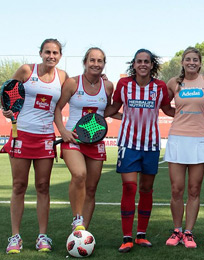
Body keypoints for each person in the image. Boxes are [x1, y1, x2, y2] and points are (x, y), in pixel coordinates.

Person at [104, 49, 174, 253]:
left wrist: (190, 112)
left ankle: (141, 235)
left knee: (146, 189)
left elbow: (168, 110)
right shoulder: (124, 84)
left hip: (151, 145)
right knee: (129, 188)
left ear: (152, 65)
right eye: (139, 61)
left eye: (147, 61)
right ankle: (126, 237)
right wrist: (94, 109)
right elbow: (112, 108)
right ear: (133, 65)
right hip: (128, 144)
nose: (143, 64)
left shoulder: (159, 87)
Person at [2, 39, 68, 254]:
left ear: (60, 55)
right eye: (47, 52)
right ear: (40, 53)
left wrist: (100, 78)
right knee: (19, 186)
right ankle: (15, 237)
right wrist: (6, 110)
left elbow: (65, 101)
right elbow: (6, 92)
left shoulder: (63, 77)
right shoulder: (26, 70)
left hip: (45, 138)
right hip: (21, 135)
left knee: (42, 187)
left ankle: (42, 236)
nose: (51, 55)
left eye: (55, 52)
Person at [54, 47, 117, 232]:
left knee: (91, 189)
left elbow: (106, 111)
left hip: (96, 141)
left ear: (104, 64)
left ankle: (81, 232)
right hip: (73, 139)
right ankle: (77, 217)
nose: (95, 64)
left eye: (99, 61)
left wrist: (129, 114)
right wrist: (63, 131)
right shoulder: (73, 83)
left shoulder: (108, 86)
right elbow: (57, 108)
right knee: (79, 174)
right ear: (85, 62)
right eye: (92, 60)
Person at [164, 47, 204, 249]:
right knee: (177, 189)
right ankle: (177, 230)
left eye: (195, 59)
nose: (192, 62)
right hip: (178, 138)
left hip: (200, 139)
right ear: (183, 62)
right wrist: (177, 116)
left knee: (194, 189)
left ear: (200, 63)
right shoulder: (174, 83)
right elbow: (164, 104)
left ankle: (189, 233)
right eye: (188, 59)